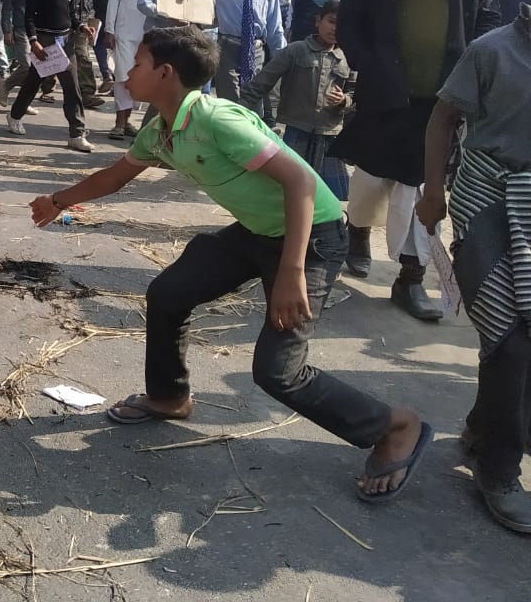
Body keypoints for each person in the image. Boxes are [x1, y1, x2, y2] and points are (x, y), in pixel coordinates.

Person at [30, 25, 432, 502]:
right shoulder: (160, 127)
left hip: (312, 237)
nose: (127, 71)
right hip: (257, 231)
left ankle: (395, 426)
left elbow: (300, 183)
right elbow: (115, 177)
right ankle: (169, 396)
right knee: (168, 293)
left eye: (136, 63)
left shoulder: (219, 120)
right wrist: (58, 199)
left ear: (165, 72)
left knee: (279, 374)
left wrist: (291, 271)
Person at [325, 0, 502, 321]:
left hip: (443, 103)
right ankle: (358, 230)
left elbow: (487, 23)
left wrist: (472, 79)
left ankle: (411, 276)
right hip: (387, 96)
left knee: (422, 187)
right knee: (369, 179)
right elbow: (350, 25)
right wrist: (373, 67)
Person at [417, 0, 531, 532]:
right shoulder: (492, 49)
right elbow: (443, 118)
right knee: (507, 335)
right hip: (486, 195)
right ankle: (500, 470)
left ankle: (485, 430)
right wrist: (434, 190)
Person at [241, 0, 354, 220]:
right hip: (296, 132)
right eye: (331, 21)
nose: (335, 29)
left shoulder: (348, 58)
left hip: (330, 137)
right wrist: (238, 116)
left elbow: (357, 93)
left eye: (342, 24)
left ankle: (326, 233)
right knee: (285, 188)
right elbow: (260, 85)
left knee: (336, 195)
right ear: (318, 21)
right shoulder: (295, 51)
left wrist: (345, 101)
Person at [4, 0, 92, 152]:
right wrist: (33, 41)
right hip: (45, 41)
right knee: (34, 82)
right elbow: (29, 16)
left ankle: (76, 133)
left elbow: (70, 14)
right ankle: (15, 115)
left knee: (71, 87)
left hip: (65, 41)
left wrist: (81, 26)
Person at [103, 0, 157, 139]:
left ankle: (128, 122)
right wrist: (109, 29)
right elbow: (113, 0)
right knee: (122, 75)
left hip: (148, 34)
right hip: (124, 31)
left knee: (141, 76)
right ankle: (118, 122)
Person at [0, 0, 43, 114]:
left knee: (36, 69)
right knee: (26, 66)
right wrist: (7, 30)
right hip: (20, 29)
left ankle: (24, 102)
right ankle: (6, 84)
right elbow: (7, 9)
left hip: (37, 31)